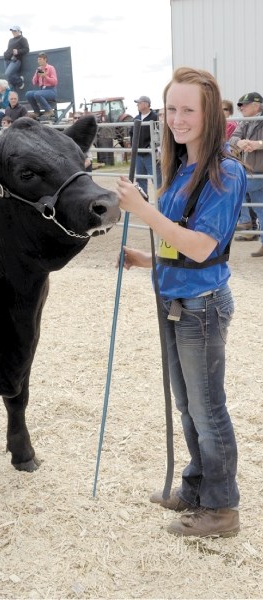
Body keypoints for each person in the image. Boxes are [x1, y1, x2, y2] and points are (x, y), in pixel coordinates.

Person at [117, 67, 246, 538]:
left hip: (202, 307)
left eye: (188, 109)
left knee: (208, 410)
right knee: (189, 407)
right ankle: (195, 489)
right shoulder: (181, 170)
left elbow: (202, 247)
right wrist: (145, 258)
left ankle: (222, 508)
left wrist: (143, 211)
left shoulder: (225, 172)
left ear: (210, 114)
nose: (177, 118)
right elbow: (178, 244)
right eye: (172, 109)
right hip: (173, 299)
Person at [230, 92, 263, 255]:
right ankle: (254, 233)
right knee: (260, 208)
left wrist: (258, 144)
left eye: (244, 104)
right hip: (252, 171)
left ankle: (245, 222)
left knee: (234, 185)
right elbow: (232, 139)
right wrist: (240, 142)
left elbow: (258, 143)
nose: (240, 108)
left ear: (256, 106)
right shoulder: (244, 122)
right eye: (239, 105)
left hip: (258, 172)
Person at [131, 95, 158, 195]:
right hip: (139, 154)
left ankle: (161, 206)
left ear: (146, 104)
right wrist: (133, 147)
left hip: (151, 154)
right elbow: (131, 133)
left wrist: (152, 147)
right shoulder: (136, 119)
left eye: (139, 103)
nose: (137, 105)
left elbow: (158, 133)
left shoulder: (155, 117)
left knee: (157, 180)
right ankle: (143, 203)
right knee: (140, 181)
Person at [25, 52, 58, 120]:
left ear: (45, 59)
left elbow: (55, 82)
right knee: (28, 94)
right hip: (42, 90)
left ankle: (49, 111)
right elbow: (34, 82)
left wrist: (45, 77)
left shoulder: (51, 68)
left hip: (51, 90)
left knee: (37, 94)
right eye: (38, 60)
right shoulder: (39, 69)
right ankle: (37, 111)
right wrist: (37, 74)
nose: (38, 61)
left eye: (40, 59)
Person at [3, 26, 29, 91]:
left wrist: (18, 51)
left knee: (8, 74)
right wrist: (5, 53)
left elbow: (27, 49)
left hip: (15, 60)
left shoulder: (23, 39)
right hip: (7, 60)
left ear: (19, 31)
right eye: (12, 31)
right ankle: (13, 96)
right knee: (9, 80)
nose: (13, 32)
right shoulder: (10, 40)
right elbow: (9, 49)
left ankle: (20, 81)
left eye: (14, 31)